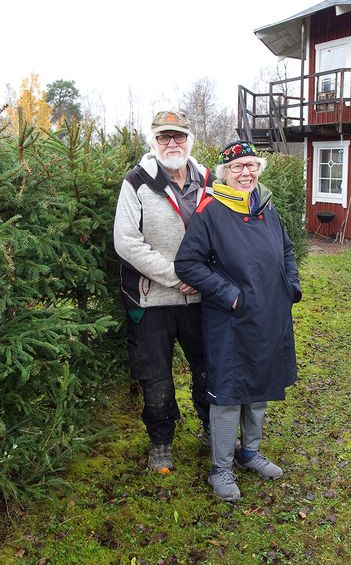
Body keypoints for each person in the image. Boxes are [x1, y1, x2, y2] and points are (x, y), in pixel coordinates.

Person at [175, 140, 302, 501]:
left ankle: (250, 453)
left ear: (258, 170)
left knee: (260, 387)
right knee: (229, 394)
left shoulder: (266, 207)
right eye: (237, 167)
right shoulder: (211, 212)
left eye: (251, 166)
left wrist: (290, 287)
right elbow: (188, 264)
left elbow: (287, 250)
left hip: (270, 315)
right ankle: (221, 469)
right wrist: (230, 295)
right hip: (230, 320)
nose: (245, 173)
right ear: (224, 173)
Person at [113, 110, 214, 474]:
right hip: (152, 299)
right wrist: (176, 275)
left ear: (190, 139)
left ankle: (210, 429)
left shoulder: (211, 181)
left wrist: (202, 277)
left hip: (202, 299)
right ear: (152, 142)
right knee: (155, 375)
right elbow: (126, 241)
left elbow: (225, 236)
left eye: (179, 136)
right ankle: (160, 442)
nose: (172, 143)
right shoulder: (136, 182)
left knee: (208, 368)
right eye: (163, 137)